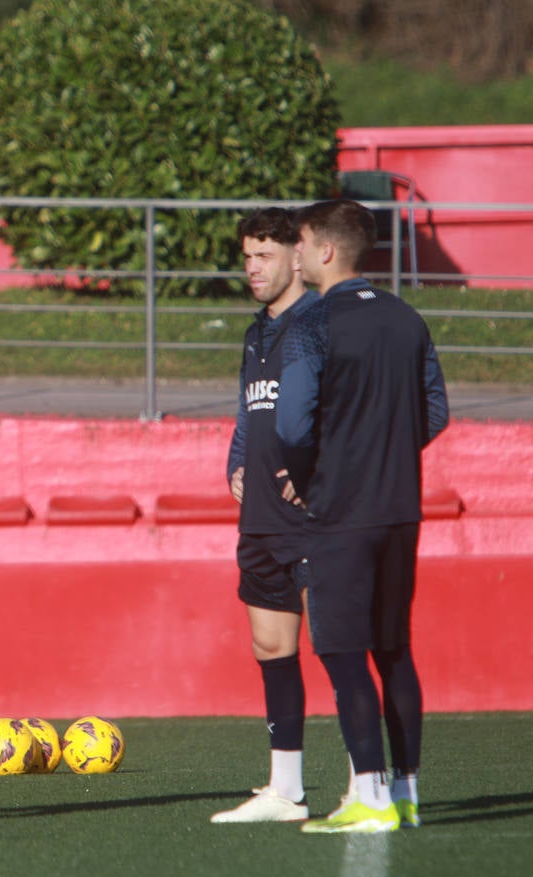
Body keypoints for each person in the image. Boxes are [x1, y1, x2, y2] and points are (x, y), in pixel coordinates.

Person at [276, 198, 448, 834]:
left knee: (344, 652)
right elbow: (435, 412)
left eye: (300, 243)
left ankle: (369, 795)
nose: (295, 255)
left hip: (340, 513)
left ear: (324, 250)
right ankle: (406, 794)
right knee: (394, 650)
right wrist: (385, 456)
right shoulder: (407, 318)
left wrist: (309, 476)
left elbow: (292, 423)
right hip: (401, 509)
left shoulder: (313, 324)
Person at [211, 208, 319, 824]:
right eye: (248, 256)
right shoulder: (257, 332)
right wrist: (236, 463)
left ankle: (372, 781)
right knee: (270, 645)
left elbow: (341, 416)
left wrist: (323, 479)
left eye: (265, 256)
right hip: (261, 519)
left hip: (313, 520)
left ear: (297, 257)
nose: (253, 268)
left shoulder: (321, 326)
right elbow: (247, 414)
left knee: (339, 646)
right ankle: (286, 789)